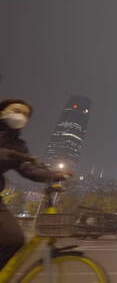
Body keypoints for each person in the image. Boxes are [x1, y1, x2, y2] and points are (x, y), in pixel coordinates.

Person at [0, 99, 70, 270]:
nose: (20, 115)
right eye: (16, 110)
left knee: (14, 239)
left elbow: (29, 169)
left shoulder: (18, 145)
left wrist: (54, 175)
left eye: (25, 114)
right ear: (2, 112)